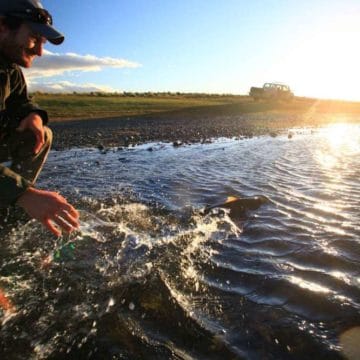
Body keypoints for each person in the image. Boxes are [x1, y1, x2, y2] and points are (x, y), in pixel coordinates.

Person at [0, 0, 79, 237]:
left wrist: (33, 115)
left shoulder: (9, 69)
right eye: (34, 38)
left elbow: (21, 101)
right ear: (2, 26)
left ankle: (7, 217)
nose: (40, 52)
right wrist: (25, 194)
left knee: (40, 134)